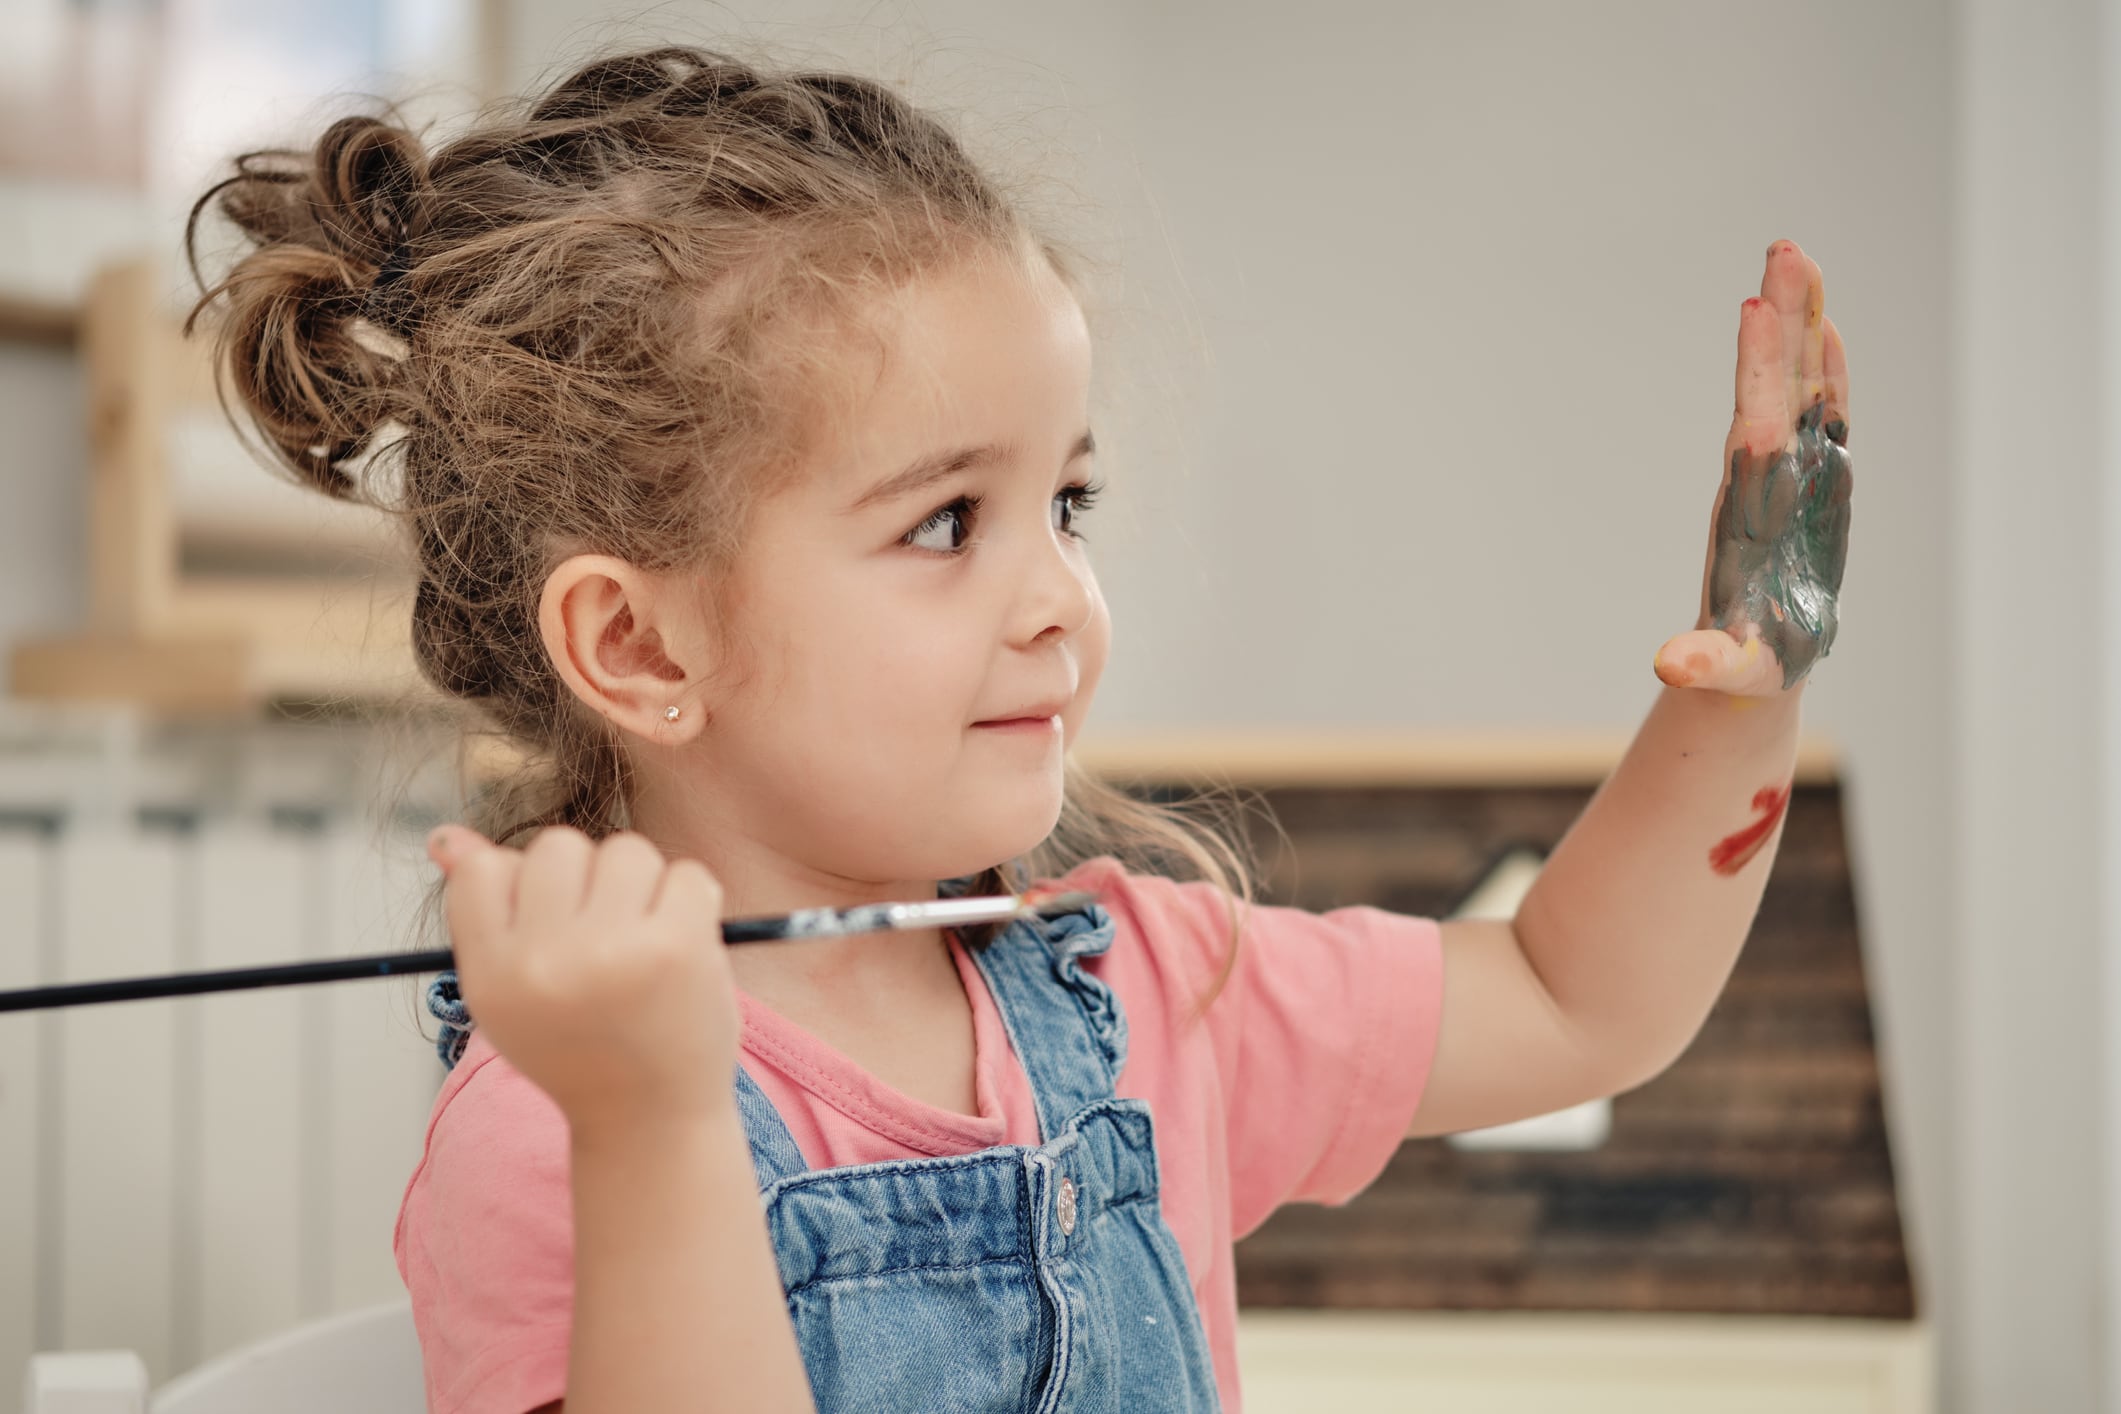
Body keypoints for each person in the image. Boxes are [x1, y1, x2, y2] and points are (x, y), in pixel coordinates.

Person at [180, 41, 1852, 1414]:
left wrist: (1754, 671)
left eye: (1068, 499)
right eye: (943, 523)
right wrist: (657, 1129)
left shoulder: (1143, 990)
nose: (1057, 592)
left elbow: (1576, 998)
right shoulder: (562, 1123)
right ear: (635, 639)